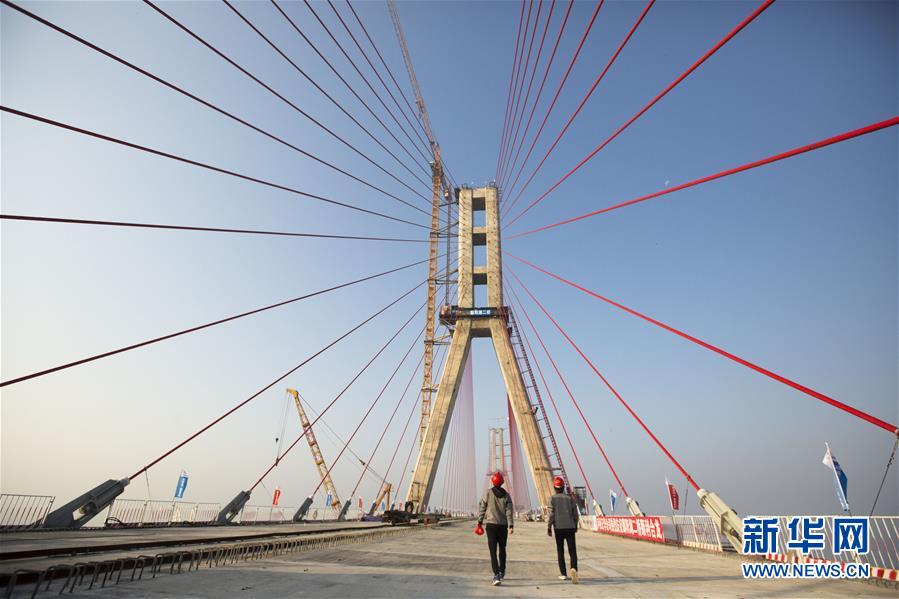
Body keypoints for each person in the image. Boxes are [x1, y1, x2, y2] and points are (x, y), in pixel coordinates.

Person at [477, 471, 514, 586]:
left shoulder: (488, 493)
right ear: (502, 482)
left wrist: (479, 521)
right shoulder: (507, 495)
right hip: (503, 526)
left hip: (491, 526)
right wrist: (511, 525)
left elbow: (482, 507)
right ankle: (502, 571)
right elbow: (509, 511)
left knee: (493, 551)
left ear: (492, 481)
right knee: (502, 549)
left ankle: (496, 575)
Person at [547, 476, 579, 583]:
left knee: (560, 551)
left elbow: (551, 514)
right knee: (572, 551)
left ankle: (563, 573)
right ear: (563, 487)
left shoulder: (552, 499)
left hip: (558, 528)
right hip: (570, 527)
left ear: (555, 487)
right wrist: (575, 525)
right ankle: (574, 569)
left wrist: (549, 527)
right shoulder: (570, 498)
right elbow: (575, 514)